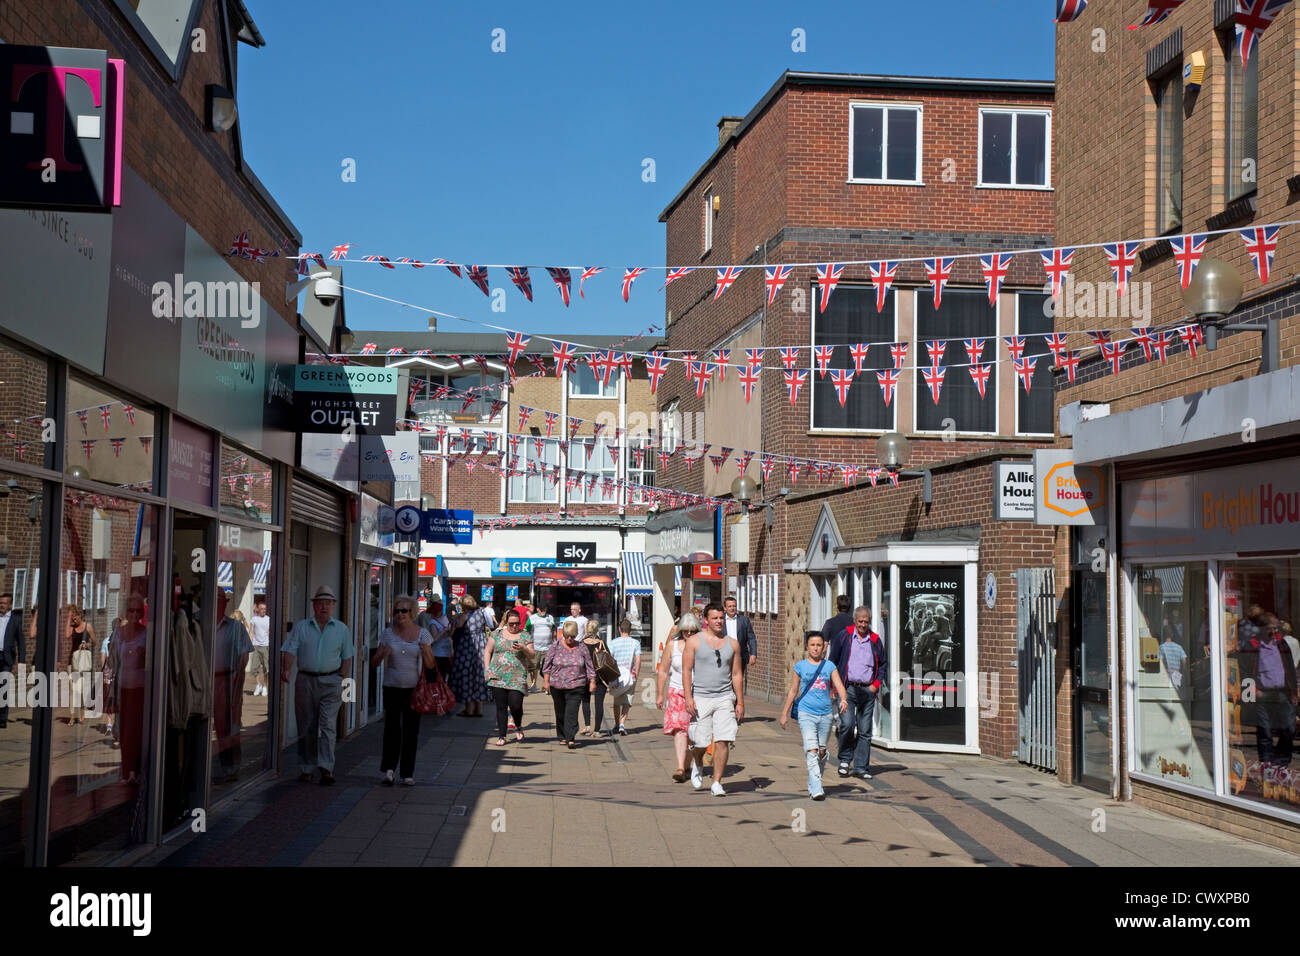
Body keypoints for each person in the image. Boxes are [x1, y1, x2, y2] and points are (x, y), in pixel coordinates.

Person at [280, 586, 354, 785]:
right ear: (313, 605)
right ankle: (306, 767)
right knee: (307, 726)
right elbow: (289, 650)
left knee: (328, 725)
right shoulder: (302, 627)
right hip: (306, 680)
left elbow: (348, 656)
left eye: (328, 603)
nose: (324, 606)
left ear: (333, 606)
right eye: (320, 602)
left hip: (332, 681)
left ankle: (326, 768)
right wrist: (286, 669)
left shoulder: (341, 629)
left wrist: (341, 677)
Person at [372, 595, 434, 786]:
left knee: (411, 731)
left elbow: (431, 665)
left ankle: (407, 773)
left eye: (404, 611)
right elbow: (374, 663)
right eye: (397, 611)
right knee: (391, 729)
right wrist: (382, 654)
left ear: (413, 613)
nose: (400, 614)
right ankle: (389, 770)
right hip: (391, 687)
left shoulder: (423, 634)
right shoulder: (387, 634)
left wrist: (425, 652)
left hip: (413, 690)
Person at [683, 603, 744, 796]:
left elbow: (736, 674)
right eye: (715, 618)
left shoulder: (733, 644)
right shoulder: (694, 641)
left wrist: (740, 702)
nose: (719, 621)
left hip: (725, 697)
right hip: (701, 697)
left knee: (723, 740)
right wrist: (688, 696)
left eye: (721, 618)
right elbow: (686, 670)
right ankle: (698, 762)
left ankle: (717, 782)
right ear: (706, 620)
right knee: (700, 742)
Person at [779, 633, 849, 800]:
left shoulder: (829, 666)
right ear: (807, 647)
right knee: (812, 749)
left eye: (819, 645)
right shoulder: (800, 667)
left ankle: (813, 781)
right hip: (806, 713)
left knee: (822, 751)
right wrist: (784, 713)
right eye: (812, 645)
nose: (816, 648)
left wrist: (844, 699)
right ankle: (817, 788)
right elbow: (793, 691)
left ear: (823, 647)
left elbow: (839, 685)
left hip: (825, 713)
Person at [828, 605, 887, 780]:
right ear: (854, 621)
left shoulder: (875, 640)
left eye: (866, 622)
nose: (863, 625)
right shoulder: (844, 636)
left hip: (868, 690)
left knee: (865, 730)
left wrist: (876, 684)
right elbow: (833, 662)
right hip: (847, 689)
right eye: (860, 621)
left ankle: (861, 767)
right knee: (847, 724)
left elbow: (883, 664)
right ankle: (845, 759)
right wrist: (833, 687)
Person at [1242, 613, 1297, 777]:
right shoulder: (1252, 645)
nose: (1273, 631)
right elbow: (1244, 670)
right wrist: (1251, 692)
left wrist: (1294, 691)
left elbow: (1290, 669)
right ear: (1260, 629)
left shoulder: (1281, 644)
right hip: (1262, 693)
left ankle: (1281, 761)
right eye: (1269, 628)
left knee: (1289, 728)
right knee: (1265, 731)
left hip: (1282, 692)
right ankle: (1266, 764)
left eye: (1275, 628)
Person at [213, 596, 252, 782]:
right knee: (213, 728)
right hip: (204, 681)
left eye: (220, 599)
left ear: (225, 603)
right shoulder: (199, 624)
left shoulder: (236, 628)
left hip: (227, 680)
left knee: (229, 727)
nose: (217, 602)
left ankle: (231, 767)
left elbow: (244, 657)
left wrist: (237, 683)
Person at [542, 620, 595, 749]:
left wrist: (592, 681)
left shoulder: (582, 647)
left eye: (572, 636)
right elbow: (546, 666)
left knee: (571, 711)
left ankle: (570, 738)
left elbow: (589, 666)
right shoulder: (555, 646)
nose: (569, 638)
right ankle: (561, 736)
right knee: (560, 712)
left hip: (577, 685)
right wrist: (546, 681)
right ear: (563, 634)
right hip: (557, 685)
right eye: (567, 636)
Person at [485, 608, 533, 746]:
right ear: (506, 622)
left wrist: (524, 648)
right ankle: (502, 735)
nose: (514, 626)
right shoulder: (497, 634)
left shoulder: (525, 635)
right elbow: (487, 651)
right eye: (511, 623)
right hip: (497, 675)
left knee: (515, 705)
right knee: (501, 706)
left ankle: (518, 725)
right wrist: (487, 670)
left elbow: (532, 655)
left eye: (517, 623)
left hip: (517, 677)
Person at [656, 613, 696, 781]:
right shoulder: (672, 646)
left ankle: (688, 765)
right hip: (677, 692)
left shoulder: (701, 646)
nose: (688, 634)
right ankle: (680, 767)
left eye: (692, 631)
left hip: (697, 693)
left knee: (693, 733)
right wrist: (659, 694)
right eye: (685, 631)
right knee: (679, 730)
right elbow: (663, 671)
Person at [449, 594, 490, 718]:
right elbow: (490, 626)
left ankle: (469, 710)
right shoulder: (482, 613)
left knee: (466, 676)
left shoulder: (464, 616)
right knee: (478, 677)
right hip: (481, 647)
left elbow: (456, 632)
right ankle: (479, 710)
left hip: (467, 647)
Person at [63, 606, 96, 726]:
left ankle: (82, 711)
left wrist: (88, 644)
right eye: (72, 618)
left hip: (84, 663)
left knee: (82, 690)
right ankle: (72, 716)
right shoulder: (72, 627)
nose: (74, 620)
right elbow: (66, 635)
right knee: (73, 690)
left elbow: (95, 641)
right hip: (73, 662)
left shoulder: (88, 626)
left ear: (80, 616)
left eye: (75, 617)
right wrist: (68, 616)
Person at [608, 618, 641, 736]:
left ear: (619, 629)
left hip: (617, 675)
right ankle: (622, 723)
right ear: (630, 630)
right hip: (630, 675)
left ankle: (616, 724)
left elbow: (610, 659)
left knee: (616, 700)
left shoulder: (613, 643)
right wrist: (636, 672)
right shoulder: (635, 643)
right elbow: (638, 659)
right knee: (627, 700)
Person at [723, 595, 758, 692]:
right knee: (725, 680)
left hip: (740, 655)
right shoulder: (720, 620)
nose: (732, 608)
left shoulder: (744, 620)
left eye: (734, 606)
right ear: (725, 608)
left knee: (738, 681)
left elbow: (751, 638)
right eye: (729, 606)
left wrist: (753, 654)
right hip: (723, 654)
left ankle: (737, 702)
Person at [579, 619, 608, 736]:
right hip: (600, 677)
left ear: (587, 629)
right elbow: (608, 659)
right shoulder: (601, 643)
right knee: (599, 703)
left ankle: (587, 726)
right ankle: (597, 730)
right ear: (596, 630)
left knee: (585, 701)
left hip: (585, 676)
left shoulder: (581, 644)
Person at [0, 593, 23, 729]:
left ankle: (2, 718)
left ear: (10, 605)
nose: (2, 605)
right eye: (0, 602)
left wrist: (22, 659)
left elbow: (21, 640)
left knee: (3, 686)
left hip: (7, 658)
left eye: (4, 603)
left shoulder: (16, 619)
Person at [527, 602, 555, 691]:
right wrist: (528, 643)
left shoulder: (550, 617)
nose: (543, 610)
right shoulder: (532, 618)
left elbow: (553, 630)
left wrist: (554, 643)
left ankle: (546, 685)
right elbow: (526, 630)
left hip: (548, 647)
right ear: (537, 609)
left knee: (547, 667)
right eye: (541, 609)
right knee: (533, 667)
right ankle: (533, 684)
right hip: (535, 647)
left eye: (544, 608)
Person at [247, 599, 272, 697]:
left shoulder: (269, 619)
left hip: (266, 646)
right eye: (261, 608)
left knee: (267, 669)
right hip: (256, 646)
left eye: (265, 609)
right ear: (257, 609)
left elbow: (269, 632)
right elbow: (251, 631)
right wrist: (249, 644)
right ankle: (258, 685)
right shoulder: (254, 619)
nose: (263, 610)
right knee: (254, 668)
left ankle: (265, 687)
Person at [424, 599, 452, 682]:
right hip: (438, 655)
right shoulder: (433, 622)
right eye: (439, 611)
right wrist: (444, 631)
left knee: (443, 679)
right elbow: (434, 639)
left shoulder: (443, 619)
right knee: (438, 680)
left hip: (445, 654)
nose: (441, 613)